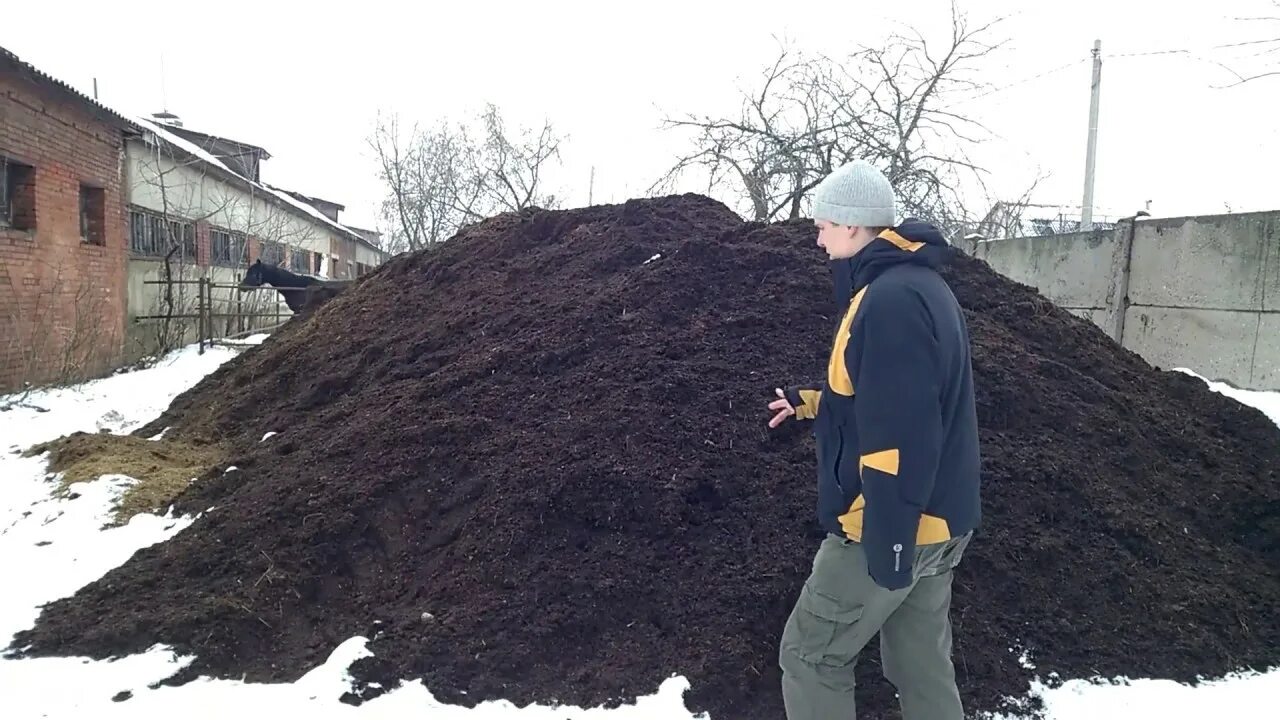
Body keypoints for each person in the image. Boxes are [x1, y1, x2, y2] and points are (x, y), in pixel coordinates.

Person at [768, 160, 982, 720]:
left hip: (890, 520)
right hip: (941, 518)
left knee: (811, 656)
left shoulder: (889, 301)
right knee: (920, 666)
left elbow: (904, 430)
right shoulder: (920, 285)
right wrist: (810, 401)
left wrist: (885, 534)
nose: (816, 237)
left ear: (855, 226)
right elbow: (887, 393)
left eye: (824, 224)